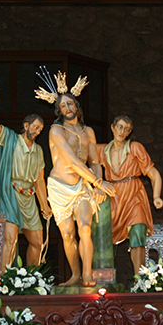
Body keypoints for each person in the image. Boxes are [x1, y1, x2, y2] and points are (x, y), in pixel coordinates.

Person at [36, 72, 115, 286]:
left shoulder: (88, 131)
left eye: (70, 104)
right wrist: (98, 182)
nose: (68, 108)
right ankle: (75, 275)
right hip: (59, 187)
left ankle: (88, 274)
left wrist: (97, 184)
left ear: (76, 106)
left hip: (82, 186)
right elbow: (71, 161)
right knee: (68, 234)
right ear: (59, 111)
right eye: (63, 106)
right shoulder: (55, 130)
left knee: (85, 227)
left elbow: (95, 161)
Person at [0, 81, 52, 271]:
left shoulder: (38, 151)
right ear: (26, 125)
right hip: (10, 194)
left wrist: (44, 206)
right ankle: (5, 280)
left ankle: (31, 279)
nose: (37, 132)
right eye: (35, 127)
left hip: (29, 198)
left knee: (38, 241)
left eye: (40, 130)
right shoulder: (10, 138)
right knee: (10, 238)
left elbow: (39, 181)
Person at [97, 116, 163, 274]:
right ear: (113, 128)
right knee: (106, 235)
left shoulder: (135, 147)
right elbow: (79, 154)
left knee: (138, 232)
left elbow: (154, 175)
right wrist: (96, 184)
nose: (122, 131)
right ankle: (105, 277)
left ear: (129, 132)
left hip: (134, 194)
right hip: (113, 195)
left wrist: (156, 196)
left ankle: (139, 278)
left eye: (126, 129)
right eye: (119, 127)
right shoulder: (101, 150)